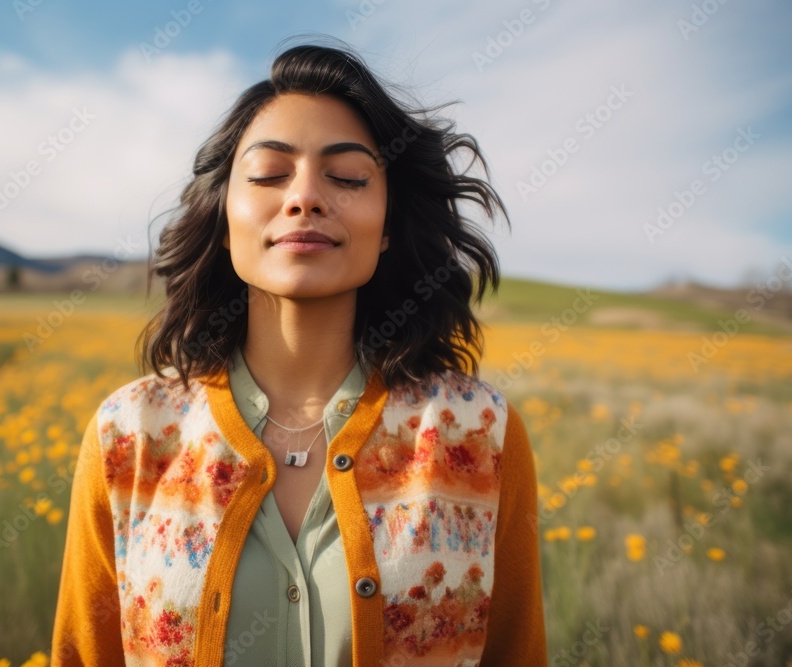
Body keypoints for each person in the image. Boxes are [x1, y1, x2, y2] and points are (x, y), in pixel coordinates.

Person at [51, 37, 547, 667]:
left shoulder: (480, 436)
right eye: (268, 174)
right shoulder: (129, 436)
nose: (306, 196)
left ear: (389, 224)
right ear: (225, 215)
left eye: (347, 177)